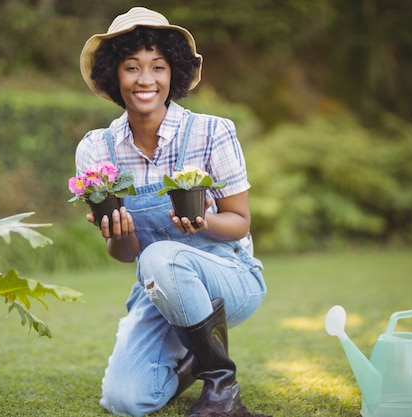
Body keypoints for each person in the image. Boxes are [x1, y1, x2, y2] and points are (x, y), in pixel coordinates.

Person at [75, 7, 267, 417]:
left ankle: (222, 387)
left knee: (158, 254)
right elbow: (125, 254)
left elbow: (240, 223)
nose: (146, 80)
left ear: (172, 73)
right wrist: (118, 231)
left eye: (158, 67)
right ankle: (191, 361)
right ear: (115, 75)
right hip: (158, 288)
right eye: (131, 67)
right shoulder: (97, 148)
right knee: (125, 401)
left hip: (229, 277)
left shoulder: (212, 131)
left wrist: (202, 220)